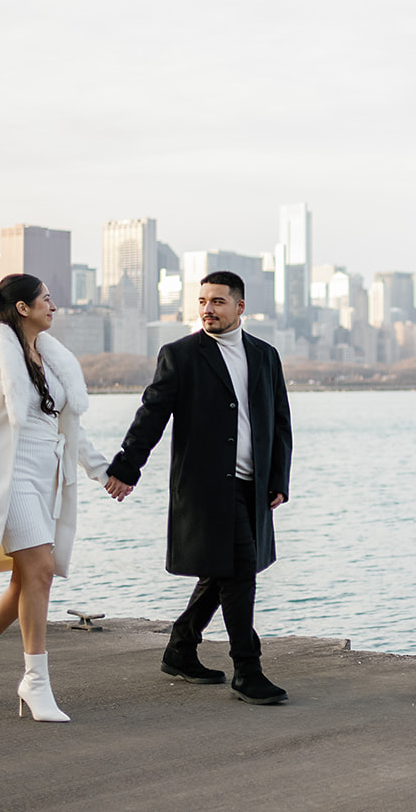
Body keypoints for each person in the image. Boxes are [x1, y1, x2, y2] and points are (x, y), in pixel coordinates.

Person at [0, 273, 130, 722]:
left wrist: (105, 474)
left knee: (26, 581)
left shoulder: (52, 359)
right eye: (46, 298)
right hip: (11, 477)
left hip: (48, 479)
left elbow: (69, 427)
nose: (54, 306)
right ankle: (34, 682)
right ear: (22, 308)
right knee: (41, 570)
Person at [105, 270, 293, 704]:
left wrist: (278, 478)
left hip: (253, 484)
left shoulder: (265, 356)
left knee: (221, 571)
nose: (208, 309)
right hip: (207, 488)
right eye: (203, 302)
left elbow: (280, 422)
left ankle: (181, 647)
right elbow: (151, 415)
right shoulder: (182, 355)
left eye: (218, 302)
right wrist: (126, 467)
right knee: (240, 571)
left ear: (240, 307)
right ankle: (247, 668)